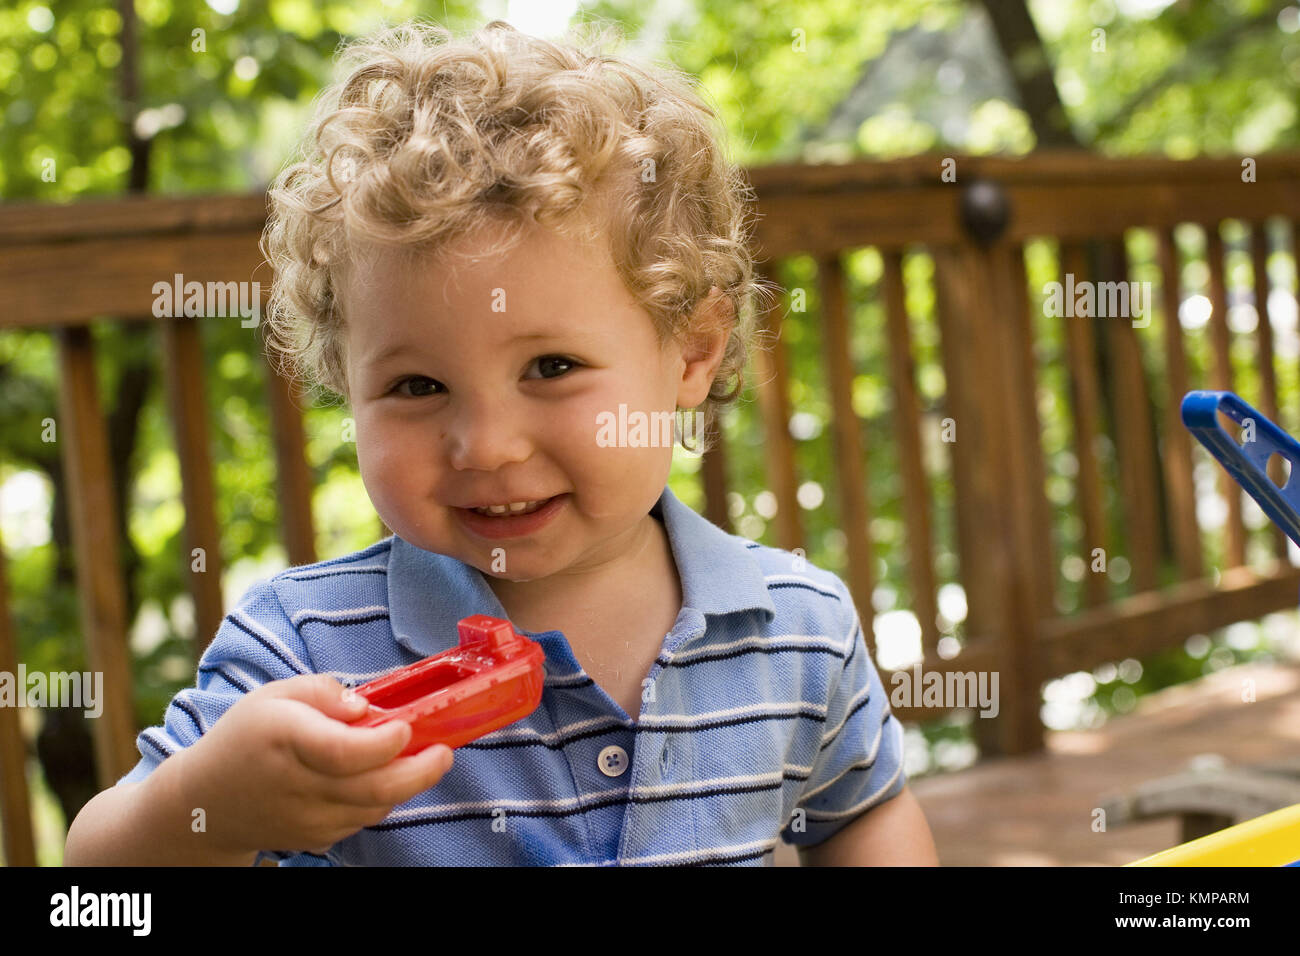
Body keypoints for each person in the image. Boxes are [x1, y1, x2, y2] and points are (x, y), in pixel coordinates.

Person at [65, 19, 939, 866]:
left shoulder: (797, 627)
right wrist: (210, 811)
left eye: (552, 366)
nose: (483, 445)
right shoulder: (304, 647)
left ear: (693, 353)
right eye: (417, 387)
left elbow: (863, 816)